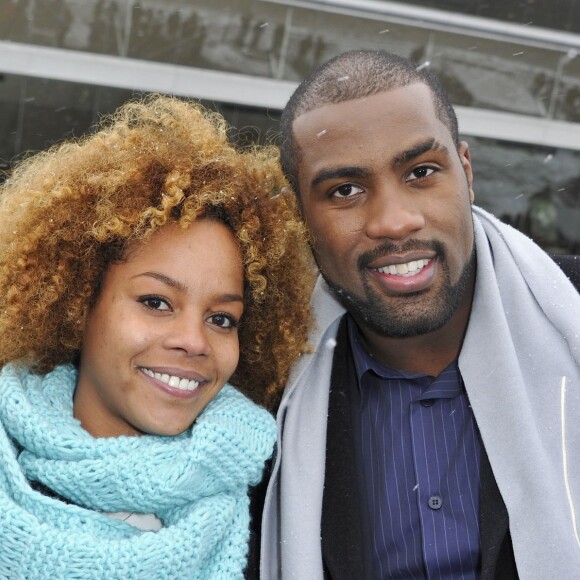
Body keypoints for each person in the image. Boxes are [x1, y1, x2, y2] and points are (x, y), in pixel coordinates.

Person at [260, 50, 580, 579]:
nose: (394, 221)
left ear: (467, 172)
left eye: (421, 172)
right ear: (301, 219)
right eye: (345, 190)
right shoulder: (256, 391)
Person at [0, 95, 313, 579]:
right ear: (78, 302)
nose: (194, 341)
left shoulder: (276, 507)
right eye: (156, 303)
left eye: (222, 318)